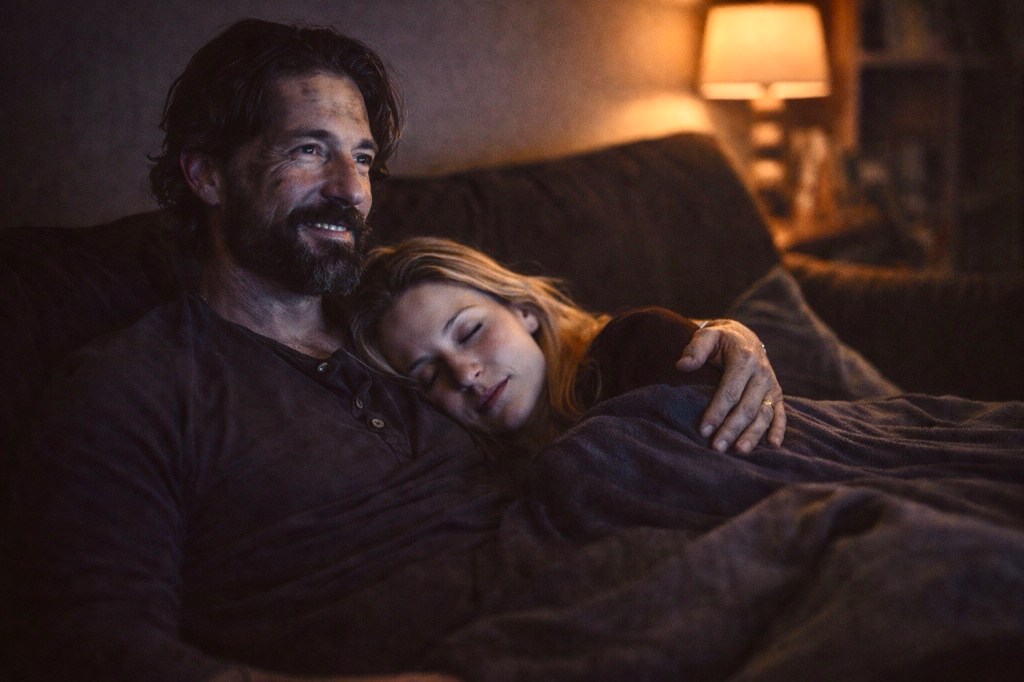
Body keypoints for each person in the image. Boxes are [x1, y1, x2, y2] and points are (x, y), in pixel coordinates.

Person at [7, 17, 785, 682]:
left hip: (619, 577)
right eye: (308, 150)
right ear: (208, 176)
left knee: (836, 533)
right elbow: (94, 644)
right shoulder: (133, 387)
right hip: (503, 653)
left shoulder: (390, 333)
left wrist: (722, 333)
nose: (351, 189)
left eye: (362, 157)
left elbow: (560, 346)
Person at [347, 236, 784, 453]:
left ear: (523, 310)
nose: (463, 374)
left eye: (470, 331)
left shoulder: (635, 348)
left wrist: (723, 331)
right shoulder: (467, 473)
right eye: (429, 375)